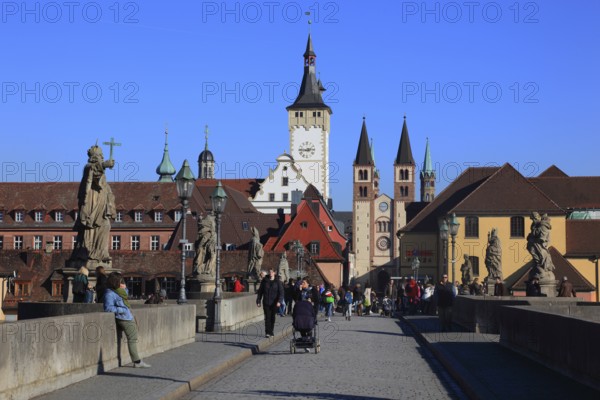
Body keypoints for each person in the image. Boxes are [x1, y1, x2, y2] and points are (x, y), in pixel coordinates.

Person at [71, 145, 116, 264]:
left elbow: (107, 190)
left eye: (101, 157)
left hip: (101, 205)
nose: (101, 158)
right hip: (92, 204)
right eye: (100, 156)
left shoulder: (101, 174)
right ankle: (89, 253)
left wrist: (111, 206)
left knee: (105, 226)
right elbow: (94, 171)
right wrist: (104, 165)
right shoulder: (88, 167)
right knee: (90, 229)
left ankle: (101, 253)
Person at [104, 272, 151, 368]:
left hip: (128, 316)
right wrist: (122, 310)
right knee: (132, 339)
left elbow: (126, 295)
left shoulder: (119, 291)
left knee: (133, 338)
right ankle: (137, 362)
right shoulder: (110, 293)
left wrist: (124, 288)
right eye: (120, 281)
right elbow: (108, 308)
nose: (122, 282)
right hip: (123, 318)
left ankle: (137, 361)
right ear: (115, 282)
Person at [256, 268, 284, 338]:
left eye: (272, 272)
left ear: (274, 273)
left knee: (272, 317)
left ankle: (271, 331)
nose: (270, 273)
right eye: (270, 272)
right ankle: (267, 332)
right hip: (266, 302)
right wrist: (258, 300)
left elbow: (281, 292)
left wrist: (279, 301)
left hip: (274, 302)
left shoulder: (278, 282)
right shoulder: (264, 281)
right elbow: (260, 292)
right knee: (267, 317)